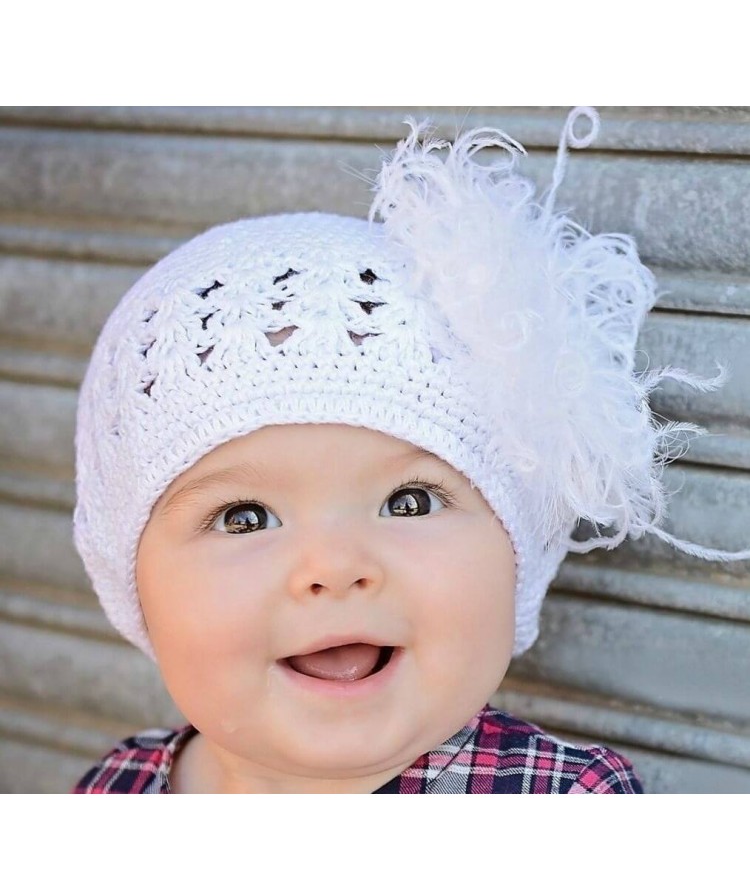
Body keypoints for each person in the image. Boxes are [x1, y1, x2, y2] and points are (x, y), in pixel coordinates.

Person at [71, 107, 750, 794]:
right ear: (129, 581)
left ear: (520, 551)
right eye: (243, 516)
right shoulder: (112, 789)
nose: (335, 569)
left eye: (410, 501)